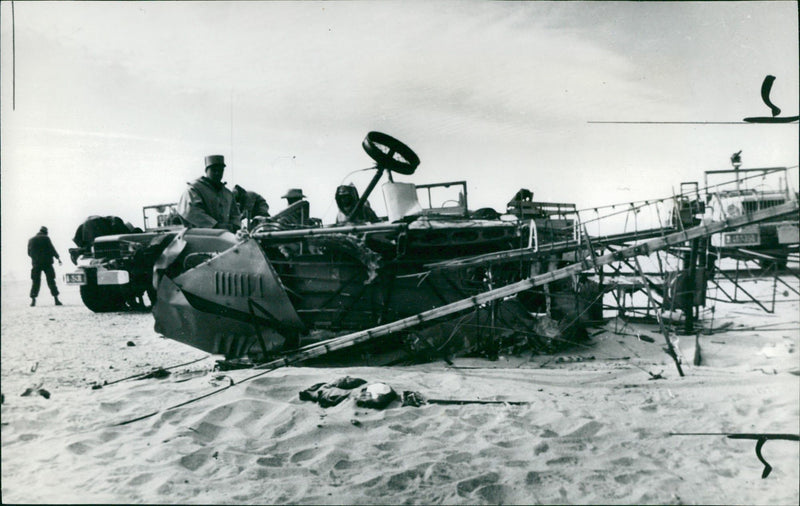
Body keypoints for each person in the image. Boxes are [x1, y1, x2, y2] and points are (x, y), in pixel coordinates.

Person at [177, 155, 242, 232]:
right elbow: (191, 211)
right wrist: (215, 225)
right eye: (214, 170)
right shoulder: (194, 189)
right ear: (206, 171)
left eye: (221, 170)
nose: (217, 173)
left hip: (225, 237)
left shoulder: (227, 193)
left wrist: (235, 225)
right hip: (202, 236)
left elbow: (235, 214)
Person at [28, 226, 63, 307]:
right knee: (51, 281)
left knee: (35, 282)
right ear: (46, 232)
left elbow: (29, 253)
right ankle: (56, 300)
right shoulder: (46, 238)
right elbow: (52, 249)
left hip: (36, 264)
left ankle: (33, 300)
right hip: (47, 264)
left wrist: (36, 258)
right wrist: (58, 258)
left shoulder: (31, 239)